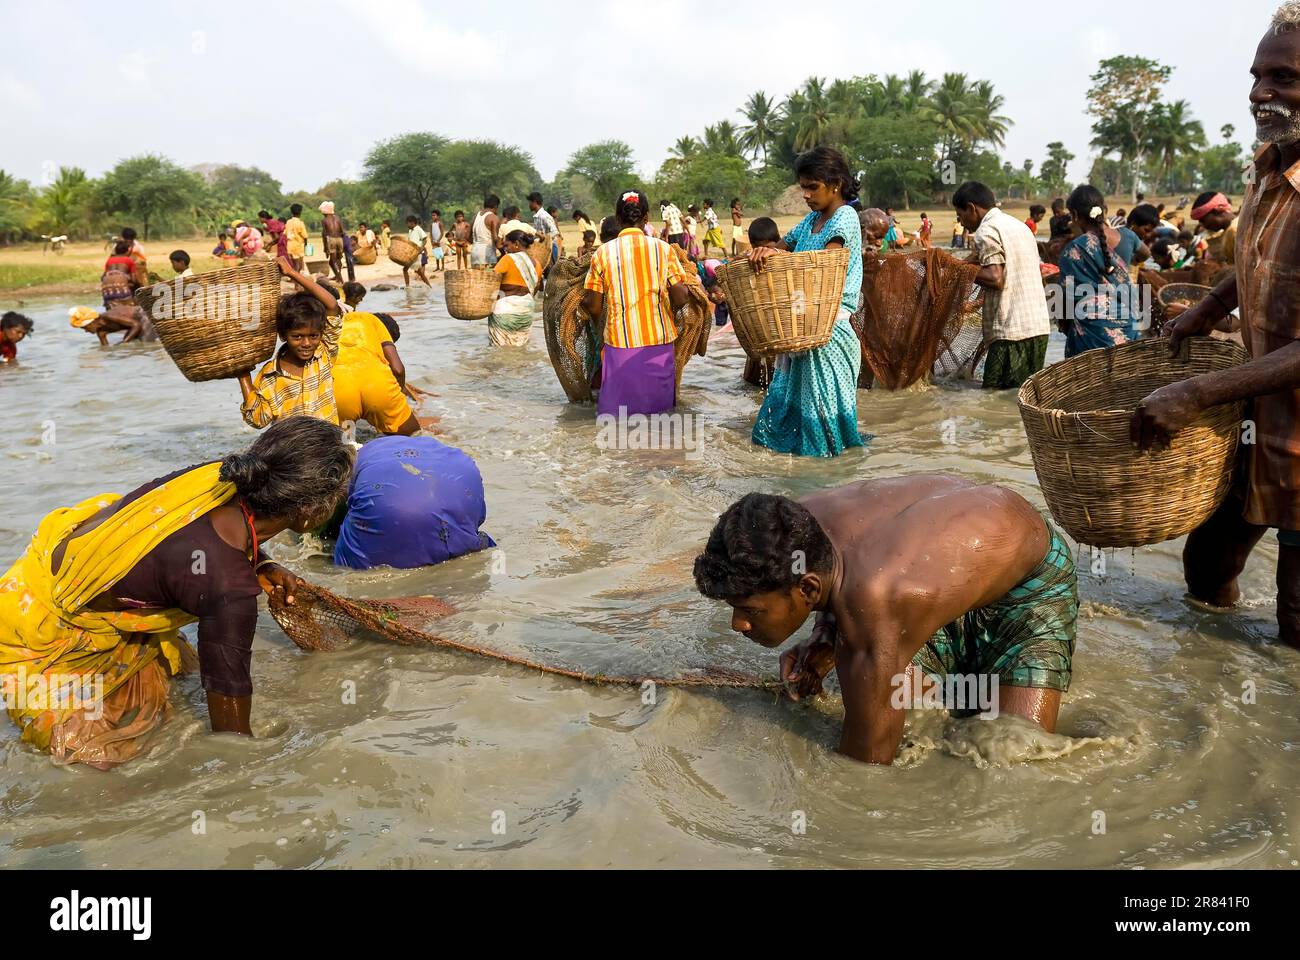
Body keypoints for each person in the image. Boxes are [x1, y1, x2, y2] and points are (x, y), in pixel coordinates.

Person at [0, 416, 354, 766]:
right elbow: (230, 728)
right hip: (39, 634)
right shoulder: (228, 587)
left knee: (178, 684)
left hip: (59, 568)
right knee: (97, 767)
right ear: (309, 510)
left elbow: (201, 537)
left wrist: (261, 564)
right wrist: (247, 775)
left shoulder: (223, 476)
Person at [692, 476, 1078, 764]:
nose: (737, 625)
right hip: (931, 574)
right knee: (907, 697)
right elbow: (841, 569)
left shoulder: (877, 601)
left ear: (808, 590)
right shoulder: (789, 527)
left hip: (1029, 583)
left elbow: (869, 762)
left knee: (1014, 751)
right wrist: (826, 635)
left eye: (750, 610)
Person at [1131, 2, 1300, 650]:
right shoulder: (1267, 168)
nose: (1261, 92)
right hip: (1260, 419)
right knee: (1207, 569)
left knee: (1295, 623)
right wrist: (1208, 308)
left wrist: (1194, 392)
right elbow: (1257, 260)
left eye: (1283, 77)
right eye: (1258, 75)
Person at [745, 146, 865, 456]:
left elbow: (824, 263)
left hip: (828, 333)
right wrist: (765, 252)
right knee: (782, 421)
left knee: (821, 438)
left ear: (835, 184)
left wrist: (777, 254)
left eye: (813, 186)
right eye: (803, 187)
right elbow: (782, 249)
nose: (806, 194)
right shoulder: (811, 220)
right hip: (804, 330)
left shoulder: (845, 216)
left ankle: (820, 491)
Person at [582, 190, 690, 417]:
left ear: (618, 219)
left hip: (620, 342)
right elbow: (680, 296)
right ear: (646, 218)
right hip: (659, 343)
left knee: (618, 421)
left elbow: (592, 305)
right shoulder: (663, 249)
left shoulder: (602, 253)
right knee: (659, 419)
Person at [333, 436, 493, 570]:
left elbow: (334, 507)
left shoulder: (353, 463)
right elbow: (478, 518)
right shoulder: (422, 445)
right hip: (465, 480)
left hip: (390, 507)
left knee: (348, 572)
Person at [953, 180, 1051, 389]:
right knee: (1025, 397)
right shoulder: (1018, 226)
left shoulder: (986, 231)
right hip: (1038, 327)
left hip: (1011, 333)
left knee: (993, 397)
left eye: (960, 216)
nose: (961, 223)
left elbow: (996, 278)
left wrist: (961, 270)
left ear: (972, 208)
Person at [238, 257, 342, 428]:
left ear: (321, 333)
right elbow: (258, 420)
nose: (307, 343)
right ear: (283, 335)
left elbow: (331, 304)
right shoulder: (270, 375)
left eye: (314, 336)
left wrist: (292, 273)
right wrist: (243, 375)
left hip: (327, 447)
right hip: (291, 451)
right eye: (297, 337)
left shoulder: (324, 352)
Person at [1055, 185, 1144, 357]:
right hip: (1129, 327)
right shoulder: (1126, 236)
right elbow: (1145, 253)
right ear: (1104, 210)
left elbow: (1066, 303)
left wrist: (1068, 331)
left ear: (1074, 215)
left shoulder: (1073, 250)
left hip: (1092, 336)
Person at [332, 301, 421, 436]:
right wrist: (400, 392)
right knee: (412, 439)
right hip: (377, 389)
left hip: (339, 392)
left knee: (345, 445)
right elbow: (398, 369)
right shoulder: (373, 321)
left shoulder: (325, 323)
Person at [489, 230, 541, 347]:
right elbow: (538, 288)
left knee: (500, 352)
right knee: (520, 349)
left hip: (504, 312)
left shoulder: (508, 259)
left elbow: (490, 281)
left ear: (516, 243)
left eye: (507, 245)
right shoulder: (537, 264)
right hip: (525, 313)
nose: (505, 249)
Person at [1190, 190, 1239, 267]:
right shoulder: (1229, 231)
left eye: (1203, 220)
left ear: (1216, 211)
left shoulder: (1235, 230)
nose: (1203, 225)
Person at [101, 240, 141, 308]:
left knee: (111, 310)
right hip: (121, 288)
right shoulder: (129, 260)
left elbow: (103, 277)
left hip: (107, 289)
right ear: (128, 251)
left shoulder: (109, 260)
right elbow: (134, 280)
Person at [319, 201, 348, 283]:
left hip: (331, 239)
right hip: (340, 239)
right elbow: (343, 231)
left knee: (332, 261)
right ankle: (338, 276)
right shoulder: (338, 218)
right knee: (338, 259)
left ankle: (340, 278)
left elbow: (324, 234)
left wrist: (325, 247)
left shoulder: (324, 220)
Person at [528, 192, 560, 268]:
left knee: (551, 272)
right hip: (542, 248)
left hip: (550, 248)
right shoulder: (537, 217)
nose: (529, 205)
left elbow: (554, 231)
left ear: (535, 202)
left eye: (530, 202)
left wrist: (544, 239)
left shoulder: (544, 216)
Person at [402, 215, 432, 288]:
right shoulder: (410, 231)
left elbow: (425, 239)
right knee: (406, 269)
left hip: (417, 253)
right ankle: (408, 286)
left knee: (419, 272)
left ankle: (428, 285)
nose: (407, 225)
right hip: (411, 253)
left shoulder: (418, 229)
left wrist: (421, 248)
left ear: (412, 223)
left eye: (407, 223)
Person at [471, 195, 501, 267]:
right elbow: (495, 238)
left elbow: (467, 236)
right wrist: (503, 251)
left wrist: (477, 243)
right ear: (495, 206)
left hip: (475, 252)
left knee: (477, 277)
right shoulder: (493, 217)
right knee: (489, 276)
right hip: (487, 253)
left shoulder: (475, 216)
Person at [284, 203, 308, 271]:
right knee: (298, 265)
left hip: (289, 246)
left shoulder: (288, 222)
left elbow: (285, 233)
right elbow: (305, 236)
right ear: (300, 212)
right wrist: (305, 245)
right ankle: (295, 279)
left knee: (294, 264)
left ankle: (294, 278)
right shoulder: (300, 223)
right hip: (298, 246)